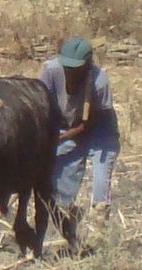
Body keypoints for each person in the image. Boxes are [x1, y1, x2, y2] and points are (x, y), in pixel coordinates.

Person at [40, 37, 120, 245]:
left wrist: (63, 137)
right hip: (65, 125)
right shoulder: (51, 71)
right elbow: (41, 103)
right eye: (67, 67)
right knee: (61, 183)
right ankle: (71, 215)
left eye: (75, 68)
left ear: (87, 65)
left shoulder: (99, 81)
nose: (70, 72)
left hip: (99, 130)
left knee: (102, 177)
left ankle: (98, 234)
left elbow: (91, 122)